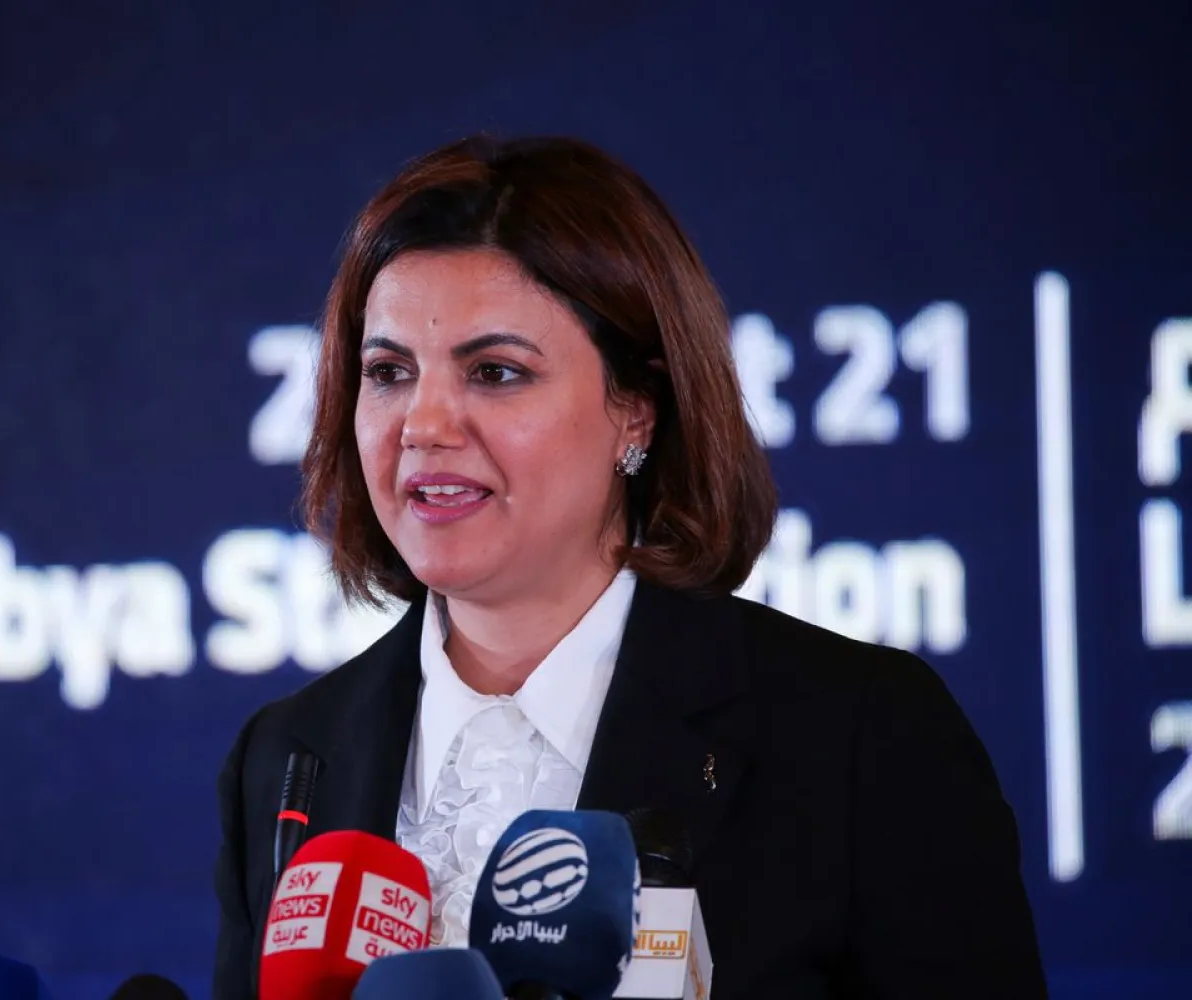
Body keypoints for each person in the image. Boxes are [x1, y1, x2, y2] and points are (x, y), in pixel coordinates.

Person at [211, 134, 1047, 999]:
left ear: (637, 412)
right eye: (387, 372)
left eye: (495, 372)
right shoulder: (284, 759)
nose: (423, 424)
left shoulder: (857, 737)